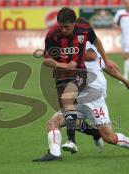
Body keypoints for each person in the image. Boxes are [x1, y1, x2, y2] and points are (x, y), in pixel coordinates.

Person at [33, 41, 129, 162]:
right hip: (75, 96)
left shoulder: (85, 43)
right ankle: (55, 154)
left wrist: (127, 82)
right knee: (53, 123)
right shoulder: (69, 45)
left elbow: (93, 56)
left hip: (94, 98)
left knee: (108, 137)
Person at [43, 7, 118, 154]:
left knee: (67, 100)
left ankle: (71, 142)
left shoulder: (84, 30)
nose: (64, 30)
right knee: (69, 115)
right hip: (61, 76)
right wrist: (62, 64)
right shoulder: (52, 35)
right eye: (61, 26)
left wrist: (106, 60)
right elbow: (46, 60)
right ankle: (94, 133)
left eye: (67, 27)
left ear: (74, 23)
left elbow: (96, 42)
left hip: (80, 74)